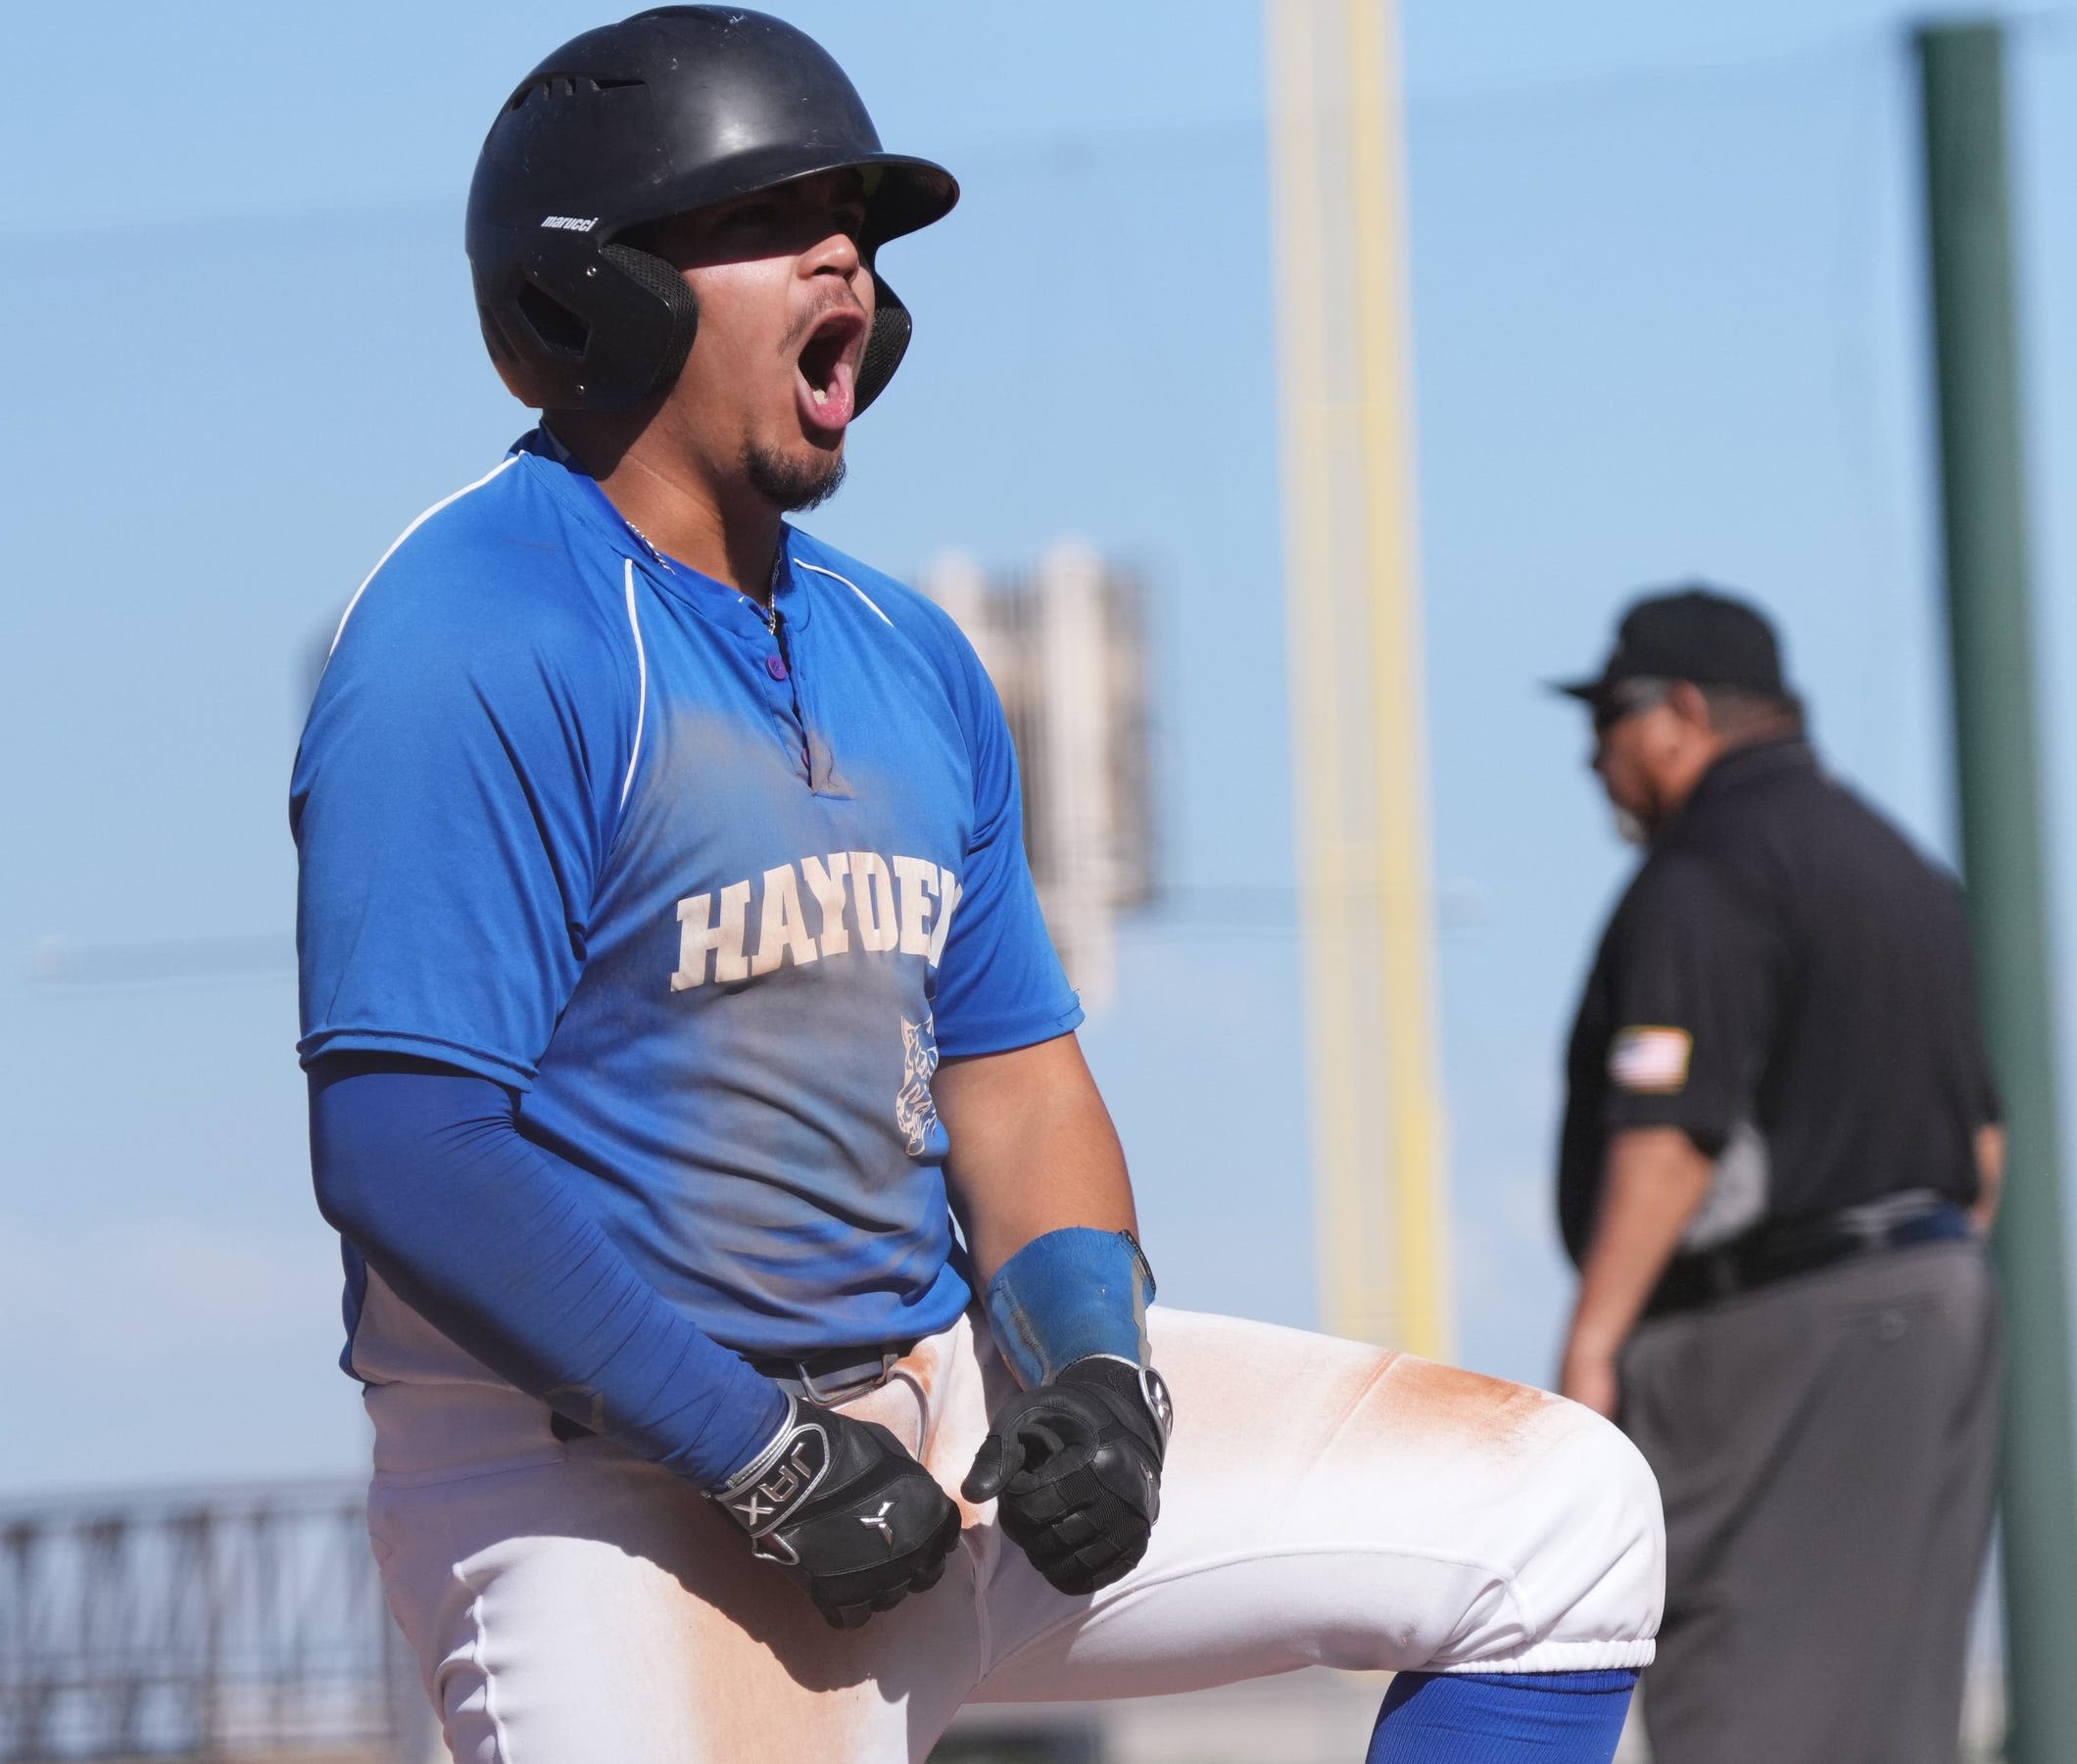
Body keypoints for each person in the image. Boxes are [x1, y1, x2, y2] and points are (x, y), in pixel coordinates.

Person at [291, 10, 1662, 1760]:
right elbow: (407, 1147)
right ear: (596, 294)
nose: (846, 254)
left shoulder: (902, 654)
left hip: (925, 1411)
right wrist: (754, 1449)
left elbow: (1015, 1092)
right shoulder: (472, 628)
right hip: (612, 1486)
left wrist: (1092, 1369)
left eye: (856, 221)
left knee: (1556, 1516)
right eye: (778, 215)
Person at [1551, 587, 1999, 1764]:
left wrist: (1594, 1339)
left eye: (1605, 721)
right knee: (1885, 1715)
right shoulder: (1899, 866)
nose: (1592, 757)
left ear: (1680, 713)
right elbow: (1985, 1151)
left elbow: (1668, 1131)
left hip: (1765, 1332)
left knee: (1742, 1706)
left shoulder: (1705, 871)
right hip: (1935, 1305)